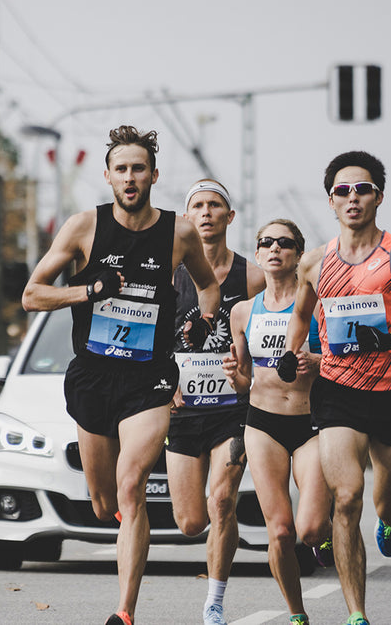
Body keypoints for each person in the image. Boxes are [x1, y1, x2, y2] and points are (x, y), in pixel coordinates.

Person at [22, 125, 220, 625]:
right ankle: (116, 519)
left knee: (131, 488)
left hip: (149, 380)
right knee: (102, 500)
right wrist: (88, 292)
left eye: (139, 169)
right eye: (121, 170)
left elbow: (208, 287)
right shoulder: (83, 227)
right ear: (108, 177)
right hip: (92, 375)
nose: (130, 178)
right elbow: (32, 295)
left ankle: (124, 612)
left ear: (154, 175)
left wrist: (201, 321)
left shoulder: (178, 232)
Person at [279, 151, 391, 625]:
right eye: (342, 190)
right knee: (347, 496)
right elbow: (299, 317)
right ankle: (356, 613)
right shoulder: (315, 263)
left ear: (378, 196)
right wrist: (294, 353)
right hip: (338, 391)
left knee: (389, 498)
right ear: (330, 201)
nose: (352, 197)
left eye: (362, 189)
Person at [222, 219, 332, 625]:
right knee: (281, 532)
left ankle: (326, 530)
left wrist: (317, 362)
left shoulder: (315, 308)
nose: (274, 249)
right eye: (265, 242)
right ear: (257, 253)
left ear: (298, 255)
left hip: (311, 424)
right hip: (262, 423)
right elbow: (245, 379)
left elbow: (344, 360)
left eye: (284, 243)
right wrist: (234, 373)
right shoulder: (242, 312)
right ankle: (297, 614)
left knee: (309, 529)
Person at [167, 179, 264, 625]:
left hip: (234, 410)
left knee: (222, 500)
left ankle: (215, 602)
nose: (206, 213)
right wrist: (163, 383)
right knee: (190, 521)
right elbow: (149, 336)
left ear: (230, 217)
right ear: (187, 218)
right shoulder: (171, 274)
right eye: (198, 206)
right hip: (184, 412)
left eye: (215, 205)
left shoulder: (253, 276)